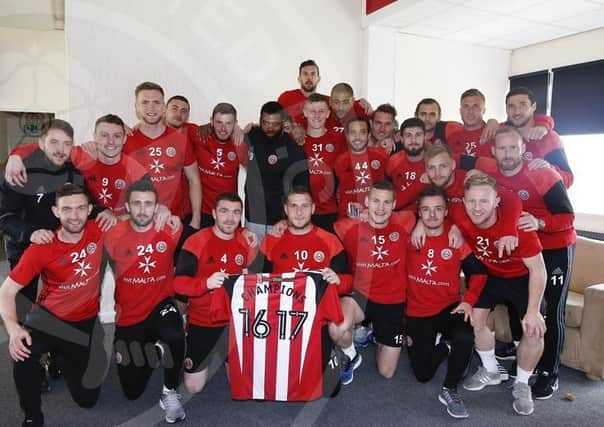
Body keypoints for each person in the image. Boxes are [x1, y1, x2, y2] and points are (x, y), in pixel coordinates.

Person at [472, 126, 576, 399]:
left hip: (554, 246)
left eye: (513, 148)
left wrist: (541, 222)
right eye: (502, 148)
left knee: (548, 311)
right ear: (494, 151)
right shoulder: (488, 170)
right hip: (521, 250)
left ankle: (549, 373)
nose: (507, 154)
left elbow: (568, 218)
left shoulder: (542, 172)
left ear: (523, 150)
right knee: (517, 303)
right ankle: (519, 362)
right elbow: (458, 161)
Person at [0, 184, 107, 426]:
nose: (74, 215)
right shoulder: (42, 247)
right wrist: (13, 328)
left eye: (80, 208)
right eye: (66, 209)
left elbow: (139, 218)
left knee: (87, 399)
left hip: (84, 321)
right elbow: (6, 291)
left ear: (90, 209)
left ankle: (59, 357)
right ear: (55, 212)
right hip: (49, 317)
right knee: (22, 352)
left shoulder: (99, 229)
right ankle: (32, 416)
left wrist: (164, 213)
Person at [449, 173, 546, 416]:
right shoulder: (461, 215)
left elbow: (538, 269)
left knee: (533, 329)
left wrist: (533, 311)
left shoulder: (519, 228)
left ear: (496, 201)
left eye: (484, 201)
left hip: (521, 278)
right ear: (464, 201)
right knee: (475, 318)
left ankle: (522, 384)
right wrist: (453, 228)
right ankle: (491, 370)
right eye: (472, 201)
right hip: (490, 276)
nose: (477, 208)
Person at [104, 178, 186, 423]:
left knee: (175, 334)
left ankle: (170, 392)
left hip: (161, 305)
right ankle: (155, 351)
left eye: (148, 204)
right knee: (132, 391)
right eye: (137, 204)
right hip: (129, 315)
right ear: (127, 207)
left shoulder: (171, 228)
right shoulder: (112, 235)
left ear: (156, 206)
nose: (142, 210)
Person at [406, 186, 488, 419]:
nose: (432, 215)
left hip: (447, 308)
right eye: (426, 210)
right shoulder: (408, 237)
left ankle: (450, 389)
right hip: (417, 311)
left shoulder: (456, 240)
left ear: (446, 212)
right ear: (418, 213)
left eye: (438, 209)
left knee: (464, 336)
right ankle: (446, 347)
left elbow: (480, 274)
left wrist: (469, 301)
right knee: (422, 374)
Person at [331, 181, 416, 384]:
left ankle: (377, 334)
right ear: (367, 201)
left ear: (394, 205)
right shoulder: (346, 227)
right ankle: (352, 355)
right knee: (336, 328)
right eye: (376, 201)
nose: (380, 208)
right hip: (361, 295)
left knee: (386, 372)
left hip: (393, 301)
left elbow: (428, 218)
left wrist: (422, 226)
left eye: (387, 202)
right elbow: (315, 231)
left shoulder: (406, 222)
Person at [173, 192, 257, 395]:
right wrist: (206, 283)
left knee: (243, 386)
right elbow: (178, 284)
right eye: (224, 211)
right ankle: (187, 341)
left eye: (236, 213)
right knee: (194, 387)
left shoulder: (247, 243)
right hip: (203, 321)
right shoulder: (196, 242)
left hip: (234, 322)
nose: (230, 218)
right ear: (213, 213)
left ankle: (230, 354)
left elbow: (257, 280)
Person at [4, 115, 148, 217]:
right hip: (87, 230)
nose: (110, 141)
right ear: (95, 136)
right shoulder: (83, 154)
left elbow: (148, 202)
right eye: (104, 135)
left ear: (124, 139)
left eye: (117, 136)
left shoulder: (135, 168)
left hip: (120, 231)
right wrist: (16, 155)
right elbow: (46, 147)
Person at [124, 81, 202, 227]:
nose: (151, 108)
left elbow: (194, 179)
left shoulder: (180, 140)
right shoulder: (124, 140)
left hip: (175, 222)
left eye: (156, 102)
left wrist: (196, 218)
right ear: (136, 107)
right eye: (145, 102)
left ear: (164, 107)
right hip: (137, 223)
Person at [250, 186, 351, 294]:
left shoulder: (330, 241)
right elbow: (257, 279)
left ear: (312, 209)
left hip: (319, 308)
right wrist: (284, 281)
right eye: (293, 206)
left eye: (305, 206)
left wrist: (339, 281)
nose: (299, 212)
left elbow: (348, 281)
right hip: (282, 307)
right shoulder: (271, 241)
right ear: (286, 209)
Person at [243, 101, 309, 242]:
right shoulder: (251, 136)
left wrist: (287, 220)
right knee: (253, 263)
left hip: (281, 223)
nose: (270, 128)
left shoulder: (294, 150)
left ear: (283, 122)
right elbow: (226, 133)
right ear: (260, 120)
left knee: (279, 263)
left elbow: (303, 189)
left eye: (275, 124)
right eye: (265, 123)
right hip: (253, 219)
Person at [188, 103, 248, 228]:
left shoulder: (240, 143)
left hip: (228, 214)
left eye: (228, 123)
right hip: (202, 212)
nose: (223, 128)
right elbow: (171, 125)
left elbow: (263, 128)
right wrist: (140, 126)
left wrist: (246, 128)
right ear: (211, 121)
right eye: (219, 122)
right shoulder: (198, 135)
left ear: (235, 123)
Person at [447, 89, 554, 158]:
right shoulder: (452, 135)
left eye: (476, 106)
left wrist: (544, 125)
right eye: (466, 106)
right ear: (460, 110)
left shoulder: (497, 132)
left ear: (484, 110)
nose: (470, 111)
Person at [504, 87, 573, 188]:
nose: (517, 111)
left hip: (537, 202)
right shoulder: (501, 134)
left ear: (534, 106)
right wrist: (491, 121)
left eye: (523, 104)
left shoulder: (549, 138)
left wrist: (549, 169)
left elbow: (568, 179)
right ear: (506, 109)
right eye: (511, 106)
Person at [300, 94, 346, 231]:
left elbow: (362, 141)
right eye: (312, 111)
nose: (317, 115)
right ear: (305, 112)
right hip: (301, 211)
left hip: (329, 210)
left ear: (328, 114)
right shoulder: (295, 139)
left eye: (321, 111)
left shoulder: (339, 138)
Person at [278, 60, 372, 126]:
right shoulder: (286, 97)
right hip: (289, 147)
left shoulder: (326, 101)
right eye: (305, 74)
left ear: (318, 78)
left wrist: (362, 102)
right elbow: (274, 121)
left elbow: (344, 102)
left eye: (313, 74)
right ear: (299, 78)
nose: (309, 78)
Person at [334, 117, 388, 219]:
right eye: (353, 133)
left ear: (369, 135)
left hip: (377, 218)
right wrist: (356, 213)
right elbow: (339, 196)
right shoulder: (339, 161)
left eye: (362, 132)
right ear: (347, 136)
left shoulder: (381, 156)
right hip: (348, 219)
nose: (357, 137)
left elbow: (391, 189)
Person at [386, 118, 429, 211]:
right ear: (401, 139)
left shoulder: (435, 160)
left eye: (418, 135)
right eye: (408, 135)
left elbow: (461, 160)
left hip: (428, 215)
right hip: (398, 214)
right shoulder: (393, 160)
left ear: (425, 137)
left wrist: (469, 172)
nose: (413, 140)